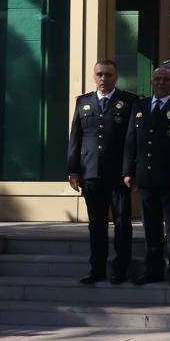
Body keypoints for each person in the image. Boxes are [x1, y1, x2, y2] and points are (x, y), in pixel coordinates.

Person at [67, 60, 137, 285]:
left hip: (119, 174)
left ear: (116, 77)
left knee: (122, 222)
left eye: (108, 74)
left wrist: (129, 170)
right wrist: (73, 170)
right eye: (99, 74)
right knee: (96, 224)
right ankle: (96, 268)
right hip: (91, 172)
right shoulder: (83, 101)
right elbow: (75, 138)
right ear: (94, 76)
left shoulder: (129, 101)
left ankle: (120, 269)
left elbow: (131, 140)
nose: (103, 79)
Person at [123, 66, 170, 287]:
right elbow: (130, 141)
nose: (161, 83)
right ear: (151, 82)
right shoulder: (140, 106)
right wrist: (127, 170)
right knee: (151, 229)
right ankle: (153, 270)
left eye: (165, 79)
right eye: (157, 79)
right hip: (146, 178)